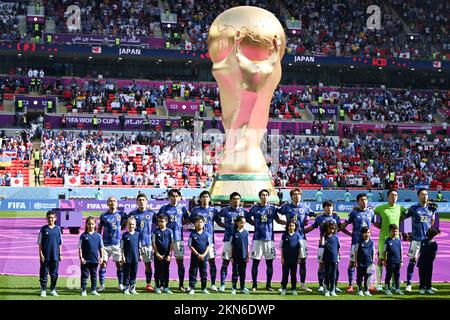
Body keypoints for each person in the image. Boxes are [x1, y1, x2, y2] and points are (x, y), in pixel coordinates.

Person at [277, 188, 316, 292]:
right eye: (294, 194)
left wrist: (307, 229)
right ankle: (283, 285)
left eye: (299, 194)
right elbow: (275, 211)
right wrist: (283, 223)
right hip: (288, 237)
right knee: (286, 261)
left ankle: (302, 284)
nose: (297, 196)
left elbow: (315, 215)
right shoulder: (286, 207)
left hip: (301, 238)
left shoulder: (305, 207)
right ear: (291, 196)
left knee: (302, 261)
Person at [304, 200, 347, 292]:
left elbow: (340, 228)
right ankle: (321, 285)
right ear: (324, 208)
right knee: (322, 265)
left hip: (334, 245)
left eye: (330, 206)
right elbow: (312, 227)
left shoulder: (336, 217)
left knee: (336, 264)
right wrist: (302, 232)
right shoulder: (320, 218)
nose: (329, 208)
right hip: (322, 245)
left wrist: (349, 232)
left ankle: (334, 285)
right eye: (327, 206)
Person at [246, 189, 284, 292]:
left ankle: (268, 285)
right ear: (259, 197)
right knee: (255, 263)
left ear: (268, 196)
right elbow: (248, 218)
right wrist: (255, 224)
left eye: (266, 195)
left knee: (269, 263)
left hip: (269, 239)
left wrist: (288, 222)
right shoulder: (254, 208)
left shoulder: (272, 208)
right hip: (257, 239)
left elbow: (278, 220)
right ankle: (254, 285)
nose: (264, 196)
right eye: (262, 195)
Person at [403, 188, 437, 292]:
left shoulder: (431, 209)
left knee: (428, 264)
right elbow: (404, 218)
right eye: (422, 194)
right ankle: (408, 284)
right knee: (412, 261)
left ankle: (427, 285)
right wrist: (407, 232)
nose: (425, 196)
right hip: (416, 239)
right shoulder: (413, 208)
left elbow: (432, 222)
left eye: (426, 194)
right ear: (418, 196)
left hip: (427, 241)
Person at [340, 193, 375, 293]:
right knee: (352, 263)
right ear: (358, 201)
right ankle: (351, 285)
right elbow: (345, 224)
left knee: (369, 263)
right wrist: (345, 232)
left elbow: (375, 223)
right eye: (361, 200)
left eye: (365, 199)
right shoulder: (353, 213)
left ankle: (369, 284)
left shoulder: (371, 212)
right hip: (356, 243)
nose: (364, 201)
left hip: (368, 244)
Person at [373, 189, 407, 291]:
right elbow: (371, 213)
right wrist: (379, 226)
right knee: (380, 260)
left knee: (395, 262)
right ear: (387, 197)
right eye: (392, 195)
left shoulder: (400, 208)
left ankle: (393, 284)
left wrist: (406, 229)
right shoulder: (381, 208)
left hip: (396, 239)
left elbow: (408, 215)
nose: (394, 197)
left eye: (396, 195)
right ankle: (378, 283)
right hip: (383, 238)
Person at [189, 190, 223, 291]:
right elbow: (190, 221)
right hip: (197, 240)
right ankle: (192, 285)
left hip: (209, 241)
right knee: (194, 265)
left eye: (207, 197)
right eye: (203, 197)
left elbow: (219, 222)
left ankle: (212, 284)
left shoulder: (214, 211)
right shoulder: (195, 210)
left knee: (212, 262)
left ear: (209, 199)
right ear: (200, 199)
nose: (205, 198)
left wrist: (229, 227)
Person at [158, 189, 190, 292]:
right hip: (166, 240)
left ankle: (181, 284)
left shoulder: (183, 208)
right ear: (169, 197)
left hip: (178, 240)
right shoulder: (164, 208)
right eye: (172, 196)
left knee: (180, 263)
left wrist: (180, 225)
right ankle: (163, 284)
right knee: (164, 262)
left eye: (176, 196)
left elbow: (187, 219)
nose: (174, 198)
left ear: (179, 197)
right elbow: (157, 220)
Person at [217, 192, 247, 292]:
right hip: (227, 240)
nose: (236, 200)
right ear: (231, 200)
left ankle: (241, 286)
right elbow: (216, 218)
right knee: (225, 262)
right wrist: (224, 226)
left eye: (238, 198)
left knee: (239, 264)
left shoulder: (243, 211)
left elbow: (250, 220)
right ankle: (222, 285)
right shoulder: (225, 210)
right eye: (234, 198)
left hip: (239, 241)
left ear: (240, 200)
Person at [129, 193, 157, 292]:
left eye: (143, 200)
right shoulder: (132, 214)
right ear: (137, 202)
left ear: (147, 201)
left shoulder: (152, 213)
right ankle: (132, 284)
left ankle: (148, 284)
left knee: (148, 264)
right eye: (140, 200)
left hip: (147, 244)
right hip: (134, 244)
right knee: (132, 264)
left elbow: (157, 227)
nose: (142, 202)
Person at [97, 196, 124, 291]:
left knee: (119, 264)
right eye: (110, 201)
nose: (112, 203)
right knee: (103, 263)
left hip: (117, 244)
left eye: (114, 201)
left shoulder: (121, 214)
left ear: (117, 203)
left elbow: (125, 224)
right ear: (107, 203)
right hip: (105, 244)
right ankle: (102, 285)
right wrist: (97, 242)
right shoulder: (104, 216)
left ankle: (120, 284)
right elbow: (99, 230)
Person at [38, 210, 62, 297]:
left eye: (52, 218)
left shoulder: (58, 229)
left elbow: (60, 243)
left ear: (55, 218)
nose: (50, 219)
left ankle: (53, 289)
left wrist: (60, 254)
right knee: (43, 273)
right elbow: (40, 242)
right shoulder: (43, 229)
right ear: (46, 218)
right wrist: (40, 253)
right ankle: (43, 290)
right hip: (45, 256)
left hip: (55, 255)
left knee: (54, 274)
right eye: (49, 218)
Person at [79, 216, 104, 296]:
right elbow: (80, 248)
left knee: (94, 276)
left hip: (95, 260)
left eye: (92, 224)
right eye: (89, 224)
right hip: (85, 260)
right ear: (86, 225)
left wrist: (102, 257)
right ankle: (83, 290)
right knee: (84, 276)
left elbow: (101, 247)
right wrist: (81, 257)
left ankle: (93, 290)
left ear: (95, 225)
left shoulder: (98, 236)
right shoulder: (83, 236)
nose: (91, 225)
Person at [188, 216, 210, 294]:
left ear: (203, 224)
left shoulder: (207, 234)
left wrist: (203, 255)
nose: (199, 224)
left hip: (204, 257)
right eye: (197, 222)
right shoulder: (192, 234)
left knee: (203, 272)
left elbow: (208, 246)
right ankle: (192, 288)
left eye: (201, 222)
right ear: (194, 224)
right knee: (193, 272)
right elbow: (190, 245)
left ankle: (203, 288)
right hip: (195, 256)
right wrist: (197, 254)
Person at [152, 214, 174, 294]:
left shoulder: (169, 231)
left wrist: (169, 255)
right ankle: (157, 286)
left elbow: (171, 243)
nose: (161, 223)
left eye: (163, 221)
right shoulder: (155, 232)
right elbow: (153, 243)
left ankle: (165, 287)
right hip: (158, 255)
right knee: (157, 270)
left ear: (166, 222)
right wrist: (157, 254)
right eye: (159, 221)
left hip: (166, 255)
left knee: (166, 271)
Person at [279, 220, 301, 295]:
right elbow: (281, 247)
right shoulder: (284, 235)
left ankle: (293, 289)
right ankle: (284, 288)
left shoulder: (298, 236)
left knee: (293, 275)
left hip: (294, 259)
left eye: (292, 226)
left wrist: (299, 258)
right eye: (290, 226)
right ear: (287, 227)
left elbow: (299, 248)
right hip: (286, 259)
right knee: (285, 274)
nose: (291, 227)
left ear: (295, 227)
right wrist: (282, 258)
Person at [230, 216, 250, 295]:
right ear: (237, 223)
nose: (243, 224)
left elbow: (248, 245)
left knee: (243, 273)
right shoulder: (234, 233)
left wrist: (248, 255)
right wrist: (231, 256)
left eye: (244, 222)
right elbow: (231, 245)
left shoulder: (246, 233)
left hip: (244, 256)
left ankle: (242, 288)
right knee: (235, 272)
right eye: (241, 222)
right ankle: (233, 288)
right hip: (235, 256)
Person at [417, 227, 440, 294]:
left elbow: (435, 254)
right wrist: (415, 257)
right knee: (422, 275)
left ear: (432, 235)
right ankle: (421, 288)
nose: (426, 233)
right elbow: (419, 251)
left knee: (428, 275)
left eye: (428, 232)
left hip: (429, 263)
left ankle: (428, 288)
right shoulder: (423, 241)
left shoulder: (434, 244)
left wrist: (431, 260)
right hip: (421, 262)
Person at [121, 216, 140, 295]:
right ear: (127, 225)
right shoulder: (124, 235)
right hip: (127, 258)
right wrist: (123, 256)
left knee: (134, 273)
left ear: (135, 225)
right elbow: (122, 247)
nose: (131, 226)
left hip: (135, 258)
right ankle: (126, 288)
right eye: (129, 224)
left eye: (133, 224)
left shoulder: (137, 234)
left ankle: (132, 288)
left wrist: (140, 255)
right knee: (126, 273)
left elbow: (139, 245)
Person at [382, 224, 403, 295]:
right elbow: (384, 252)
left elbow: (401, 251)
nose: (395, 233)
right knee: (389, 275)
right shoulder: (387, 240)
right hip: (390, 262)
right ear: (389, 232)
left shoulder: (398, 240)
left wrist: (401, 261)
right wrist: (385, 261)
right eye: (393, 231)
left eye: (396, 231)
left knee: (397, 275)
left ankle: (397, 288)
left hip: (397, 261)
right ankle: (387, 289)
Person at [354, 227, 375, 296]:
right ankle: (360, 290)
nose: (367, 234)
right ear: (362, 234)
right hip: (360, 263)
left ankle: (366, 290)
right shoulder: (359, 242)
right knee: (360, 277)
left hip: (369, 263)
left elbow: (373, 252)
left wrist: (373, 262)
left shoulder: (372, 242)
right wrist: (356, 262)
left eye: (368, 232)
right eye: (365, 233)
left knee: (368, 277)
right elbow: (356, 252)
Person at [321, 221, 340, 297]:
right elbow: (322, 244)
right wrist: (323, 235)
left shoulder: (336, 237)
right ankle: (326, 290)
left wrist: (338, 256)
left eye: (333, 229)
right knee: (327, 274)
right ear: (327, 228)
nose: (331, 230)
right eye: (330, 228)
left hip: (334, 259)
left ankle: (332, 290)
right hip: (326, 258)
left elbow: (338, 247)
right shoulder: (324, 237)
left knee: (333, 275)